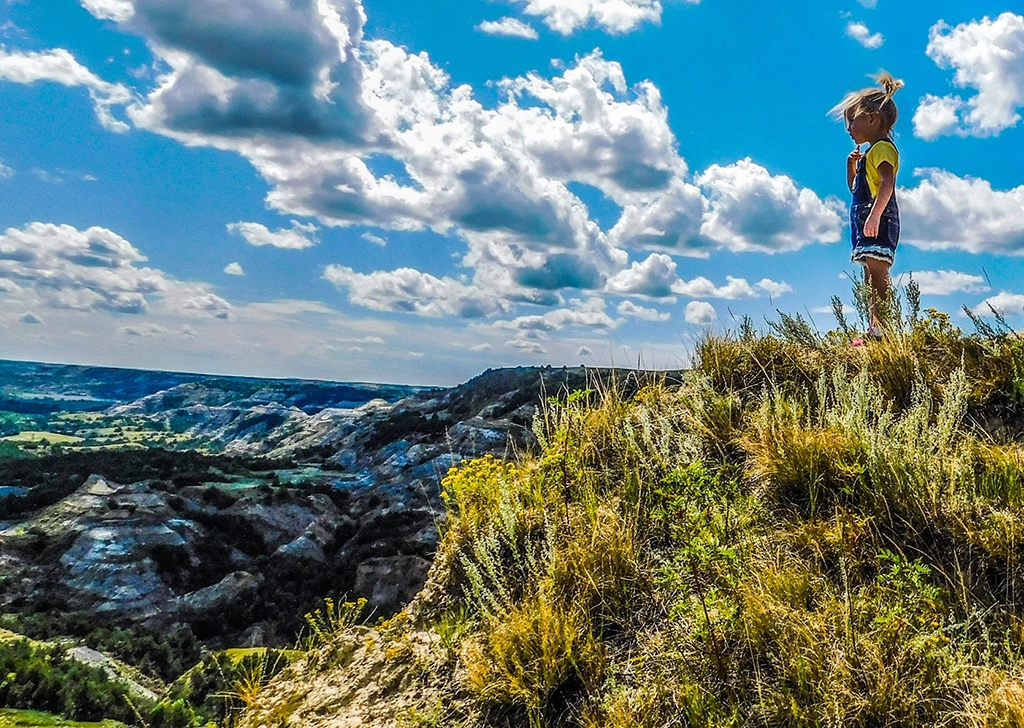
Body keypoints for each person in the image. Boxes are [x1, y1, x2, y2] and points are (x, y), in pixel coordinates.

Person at [830, 71, 904, 340]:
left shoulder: (883, 149)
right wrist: (851, 168)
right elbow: (855, 190)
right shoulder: (868, 156)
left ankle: (882, 330)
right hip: (868, 221)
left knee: (877, 271)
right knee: (870, 276)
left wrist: (874, 216)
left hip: (878, 220)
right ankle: (875, 328)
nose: (848, 128)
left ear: (872, 119)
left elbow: (887, 183)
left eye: (851, 120)